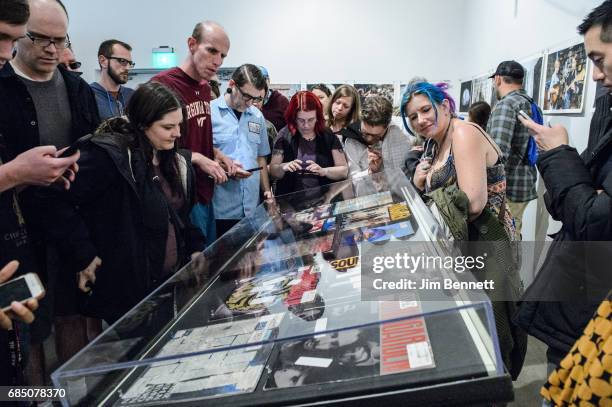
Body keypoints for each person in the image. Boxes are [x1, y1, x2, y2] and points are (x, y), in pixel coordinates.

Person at [514, 1, 612, 398]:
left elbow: (591, 221)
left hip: (592, 314)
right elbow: (571, 206)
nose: (595, 75)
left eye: (600, 59)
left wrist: (557, 155)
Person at [46, 82, 205, 324]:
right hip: (130, 292)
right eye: (168, 127)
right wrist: (83, 254)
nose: (177, 134)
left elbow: (176, 213)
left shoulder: (168, 157)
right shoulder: (109, 156)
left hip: (167, 284)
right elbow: (57, 198)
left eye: (179, 125)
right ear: (142, 124)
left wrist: (193, 245)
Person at [0, 0, 100, 384]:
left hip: (72, 224)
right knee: (27, 332)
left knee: (73, 317)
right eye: (39, 38)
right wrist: (23, 174)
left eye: (59, 40)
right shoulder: (4, 87)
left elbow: (89, 158)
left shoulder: (76, 89)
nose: (51, 49)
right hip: (18, 235)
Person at [402, 82, 526, 378]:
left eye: (425, 110)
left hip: (488, 247)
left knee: (492, 333)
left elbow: (472, 203)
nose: (420, 120)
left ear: (444, 106)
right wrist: (419, 182)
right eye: (413, 116)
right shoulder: (435, 140)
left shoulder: (463, 133)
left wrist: (425, 191)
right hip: (463, 249)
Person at [152, 21, 235, 245]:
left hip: (205, 190)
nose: (217, 61)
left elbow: (197, 135)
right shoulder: (163, 85)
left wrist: (215, 154)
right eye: (211, 51)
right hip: (180, 192)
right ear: (192, 44)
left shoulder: (205, 87)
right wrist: (196, 158)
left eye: (223, 56)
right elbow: (151, 147)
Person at [211, 64, 272, 236]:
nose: (250, 103)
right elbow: (200, 155)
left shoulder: (257, 116)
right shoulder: (210, 113)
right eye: (246, 96)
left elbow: (261, 158)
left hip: (252, 206)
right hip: (221, 208)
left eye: (256, 98)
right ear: (231, 85)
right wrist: (225, 168)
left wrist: (266, 191)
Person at [487, 60, 541, 238]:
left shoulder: (506, 105)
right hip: (524, 182)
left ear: (498, 79)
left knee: (505, 239)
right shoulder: (531, 104)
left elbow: (497, 153)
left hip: (507, 189)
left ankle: (511, 266)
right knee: (514, 231)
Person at [269, 91, 348, 196]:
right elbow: (273, 171)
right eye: (301, 120)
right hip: (289, 203)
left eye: (311, 120)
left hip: (323, 201)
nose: (306, 125)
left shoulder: (327, 135)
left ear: (318, 116)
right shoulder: (284, 135)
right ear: (293, 117)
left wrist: (324, 171)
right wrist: (284, 167)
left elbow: (343, 170)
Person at [344, 95, 412, 177]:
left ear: (388, 125)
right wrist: (370, 171)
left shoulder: (406, 130)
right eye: (365, 133)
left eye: (376, 136)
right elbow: (352, 179)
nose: (369, 139)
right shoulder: (352, 141)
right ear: (361, 119)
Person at [90, 39, 135, 119]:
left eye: (130, 63)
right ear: (103, 61)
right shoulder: (88, 95)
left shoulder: (132, 96)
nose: (128, 68)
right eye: (122, 61)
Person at [259, 66, 289, 132]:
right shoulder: (248, 102)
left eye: (262, 80)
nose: (259, 84)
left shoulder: (282, 102)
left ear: (268, 80)